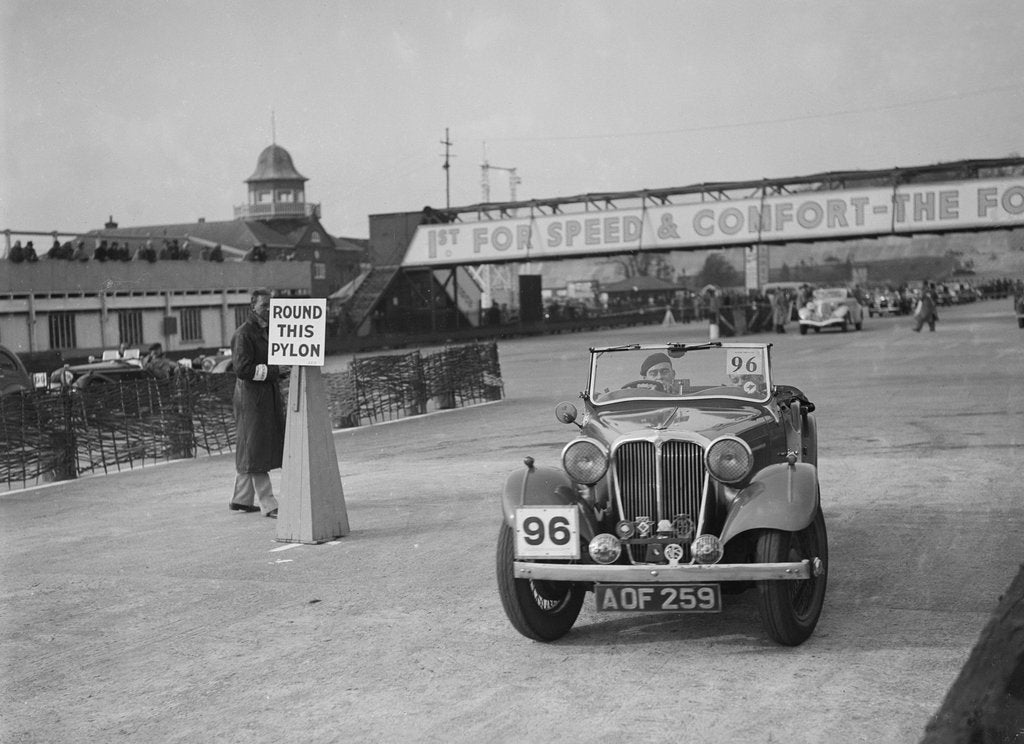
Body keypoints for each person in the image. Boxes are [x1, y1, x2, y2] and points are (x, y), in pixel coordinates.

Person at [229, 289, 285, 517]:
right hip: (251, 399)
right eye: (265, 306)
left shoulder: (267, 330)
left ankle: (241, 499)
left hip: (262, 397)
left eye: (272, 305)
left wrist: (278, 372)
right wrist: (275, 371)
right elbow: (242, 369)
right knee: (256, 448)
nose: (270, 310)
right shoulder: (243, 334)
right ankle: (268, 503)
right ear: (253, 307)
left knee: (250, 447)